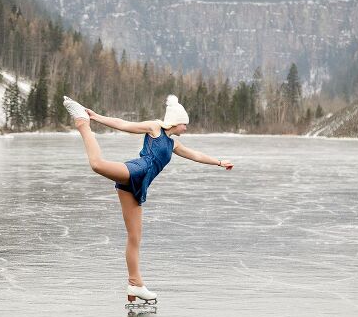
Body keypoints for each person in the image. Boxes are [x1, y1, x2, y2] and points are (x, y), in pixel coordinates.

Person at [63, 94, 234, 303]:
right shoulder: (155, 128)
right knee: (97, 164)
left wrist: (218, 162)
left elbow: (196, 155)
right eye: (185, 124)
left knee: (134, 237)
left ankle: (135, 285)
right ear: (177, 122)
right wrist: (96, 117)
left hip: (139, 185)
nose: (186, 128)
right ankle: (82, 123)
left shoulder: (173, 145)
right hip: (137, 170)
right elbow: (124, 125)